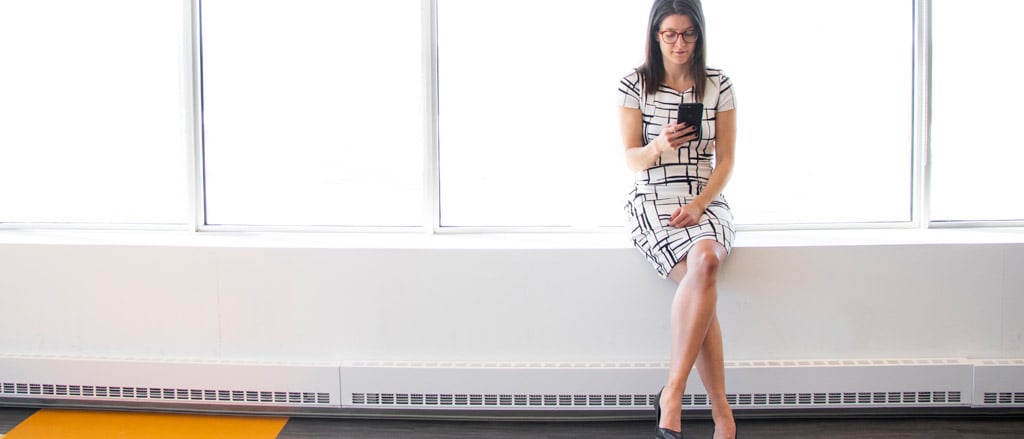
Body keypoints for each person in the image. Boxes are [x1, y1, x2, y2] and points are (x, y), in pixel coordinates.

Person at [616, 0, 737, 438]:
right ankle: (722, 411)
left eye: (688, 33)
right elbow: (631, 159)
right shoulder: (635, 85)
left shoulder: (718, 84)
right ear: (655, 36)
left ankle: (673, 393)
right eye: (670, 34)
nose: (679, 43)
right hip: (652, 199)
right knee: (702, 282)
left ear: (699, 34)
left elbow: (725, 162)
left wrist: (701, 204)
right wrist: (659, 146)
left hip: (704, 198)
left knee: (705, 262)